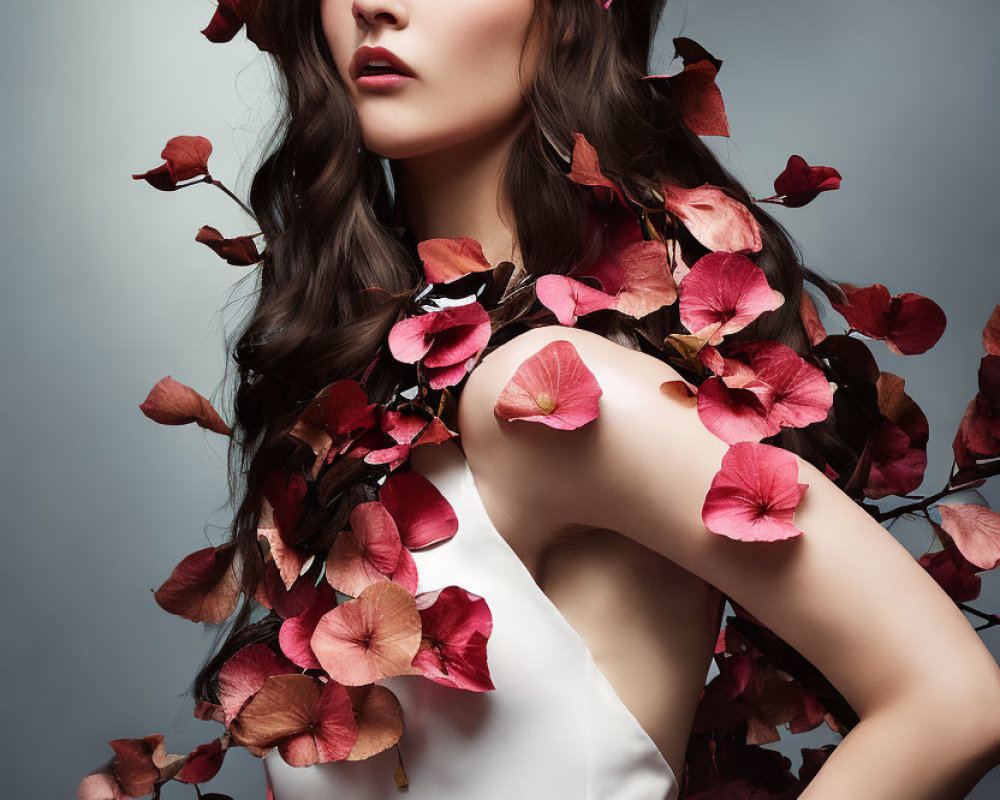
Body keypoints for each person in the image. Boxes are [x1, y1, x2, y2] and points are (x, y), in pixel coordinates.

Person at [82, 1, 1000, 799]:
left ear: (563, 12)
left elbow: (954, 702)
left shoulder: (556, 391)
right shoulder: (381, 421)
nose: (374, 4)